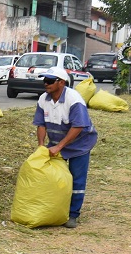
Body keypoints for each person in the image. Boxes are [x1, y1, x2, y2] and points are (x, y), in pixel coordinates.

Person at [33, 66, 98, 228]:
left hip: (79, 144)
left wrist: (60, 147)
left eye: (49, 81)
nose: (45, 84)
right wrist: (41, 147)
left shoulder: (73, 100)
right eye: (44, 81)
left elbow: (78, 126)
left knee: (77, 179)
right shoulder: (43, 99)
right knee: (54, 178)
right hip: (56, 143)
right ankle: (56, 209)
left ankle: (73, 214)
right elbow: (41, 124)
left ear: (61, 83)